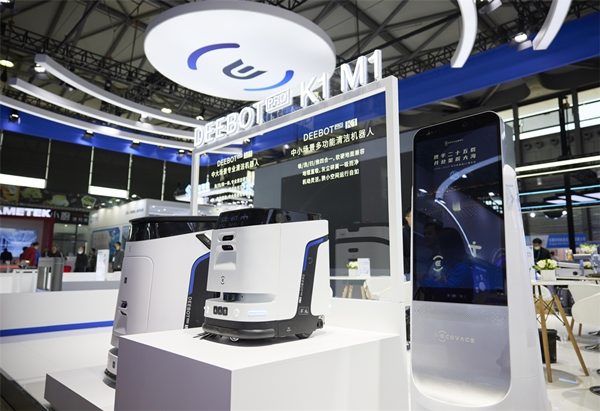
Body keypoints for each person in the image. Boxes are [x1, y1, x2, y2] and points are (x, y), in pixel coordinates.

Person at [402, 208, 412, 278]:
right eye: (412, 216)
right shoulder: (403, 232)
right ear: (406, 218)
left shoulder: (418, 232)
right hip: (407, 271)